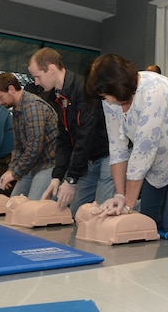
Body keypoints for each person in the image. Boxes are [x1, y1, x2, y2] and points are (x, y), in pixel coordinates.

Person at [86, 54, 168, 232]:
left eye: (107, 95)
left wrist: (128, 207)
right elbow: (117, 148)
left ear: (117, 85)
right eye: (104, 96)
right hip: (158, 159)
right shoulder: (110, 102)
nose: (107, 100)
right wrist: (120, 195)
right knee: (150, 222)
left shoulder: (152, 90)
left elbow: (143, 152)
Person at [28, 47, 113, 216]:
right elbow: (64, 139)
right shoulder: (57, 97)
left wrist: (71, 179)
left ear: (52, 69)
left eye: (37, 76)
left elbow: (85, 136)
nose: (36, 83)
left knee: (102, 215)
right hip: (88, 161)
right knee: (74, 214)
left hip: (108, 157)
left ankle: (133, 208)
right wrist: (57, 176)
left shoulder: (83, 88)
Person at [0, 73, 59, 200]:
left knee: (31, 210)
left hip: (49, 164)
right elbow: (18, 147)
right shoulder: (17, 110)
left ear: (11, 89)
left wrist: (16, 173)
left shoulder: (33, 106)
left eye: (0, 97)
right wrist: (11, 170)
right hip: (31, 165)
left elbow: (34, 147)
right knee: (14, 205)